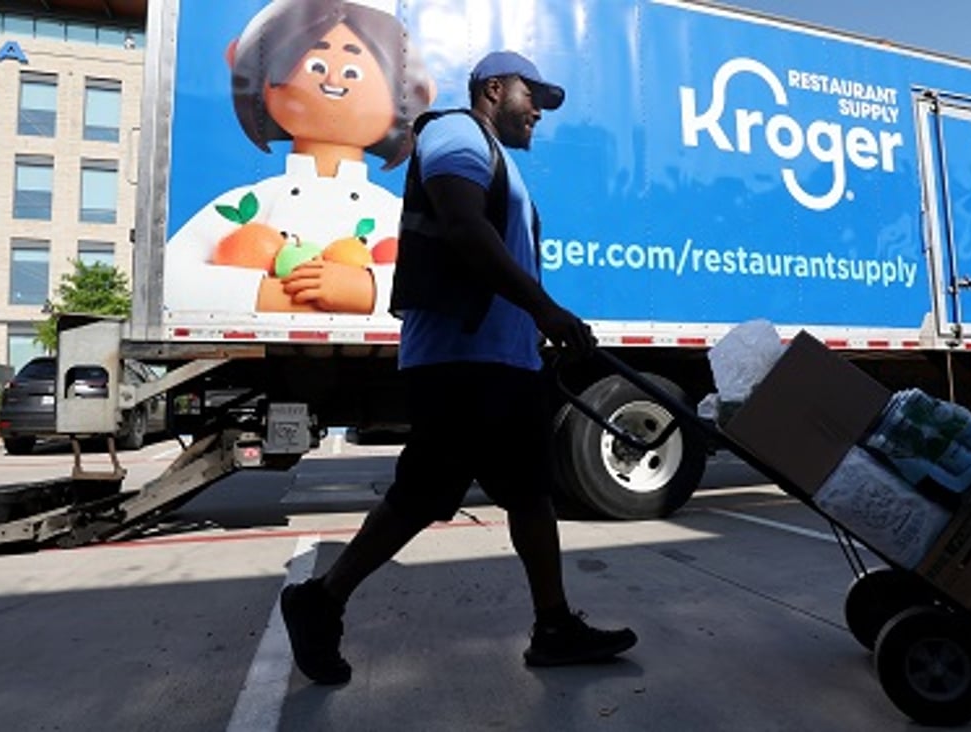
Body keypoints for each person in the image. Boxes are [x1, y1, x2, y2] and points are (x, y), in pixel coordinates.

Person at [279, 50, 638, 685]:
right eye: (534, 99)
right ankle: (320, 600)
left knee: (527, 491)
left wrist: (532, 329)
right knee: (426, 493)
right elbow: (464, 228)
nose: (539, 116)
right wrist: (546, 310)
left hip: (500, 359)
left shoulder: (497, 160)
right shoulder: (455, 134)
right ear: (494, 89)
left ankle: (553, 626)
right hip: (460, 358)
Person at [163, 0, 435, 316]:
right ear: (257, 81)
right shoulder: (252, 202)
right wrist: (266, 295)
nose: (333, 80)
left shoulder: (394, 212)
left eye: (352, 71)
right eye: (316, 66)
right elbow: (171, 273)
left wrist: (369, 290)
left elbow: (444, 281)